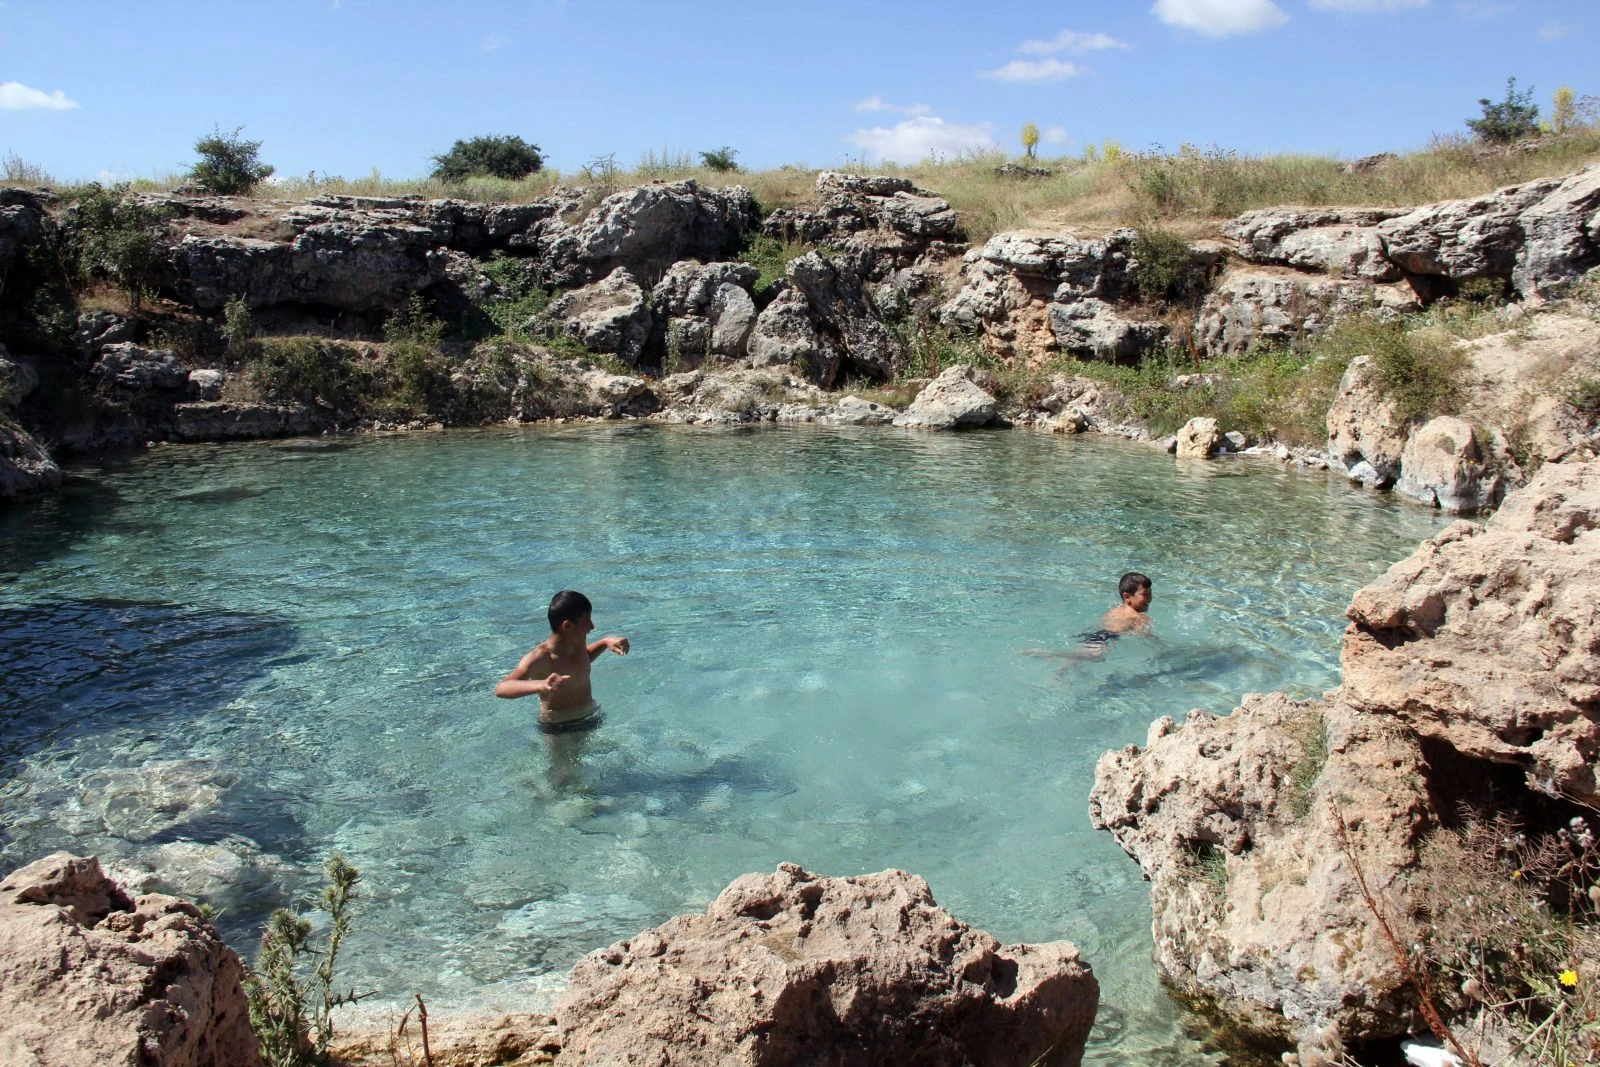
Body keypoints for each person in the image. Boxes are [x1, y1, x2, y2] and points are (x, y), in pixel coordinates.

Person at [495, 590, 630, 731]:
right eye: (587, 620)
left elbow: (582, 661)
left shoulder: (578, 645)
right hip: (559, 727)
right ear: (567, 626)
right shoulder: (541, 657)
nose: (592, 626)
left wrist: (604, 642)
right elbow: (502, 688)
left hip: (590, 716)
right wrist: (541, 685)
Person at [1077, 572, 1154, 653]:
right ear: (1127, 597)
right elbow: (1144, 637)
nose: (1150, 597)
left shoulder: (1114, 611)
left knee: (1074, 660)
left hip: (1095, 636)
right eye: (1145, 594)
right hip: (1108, 640)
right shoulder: (1140, 618)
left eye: (1150, 593)